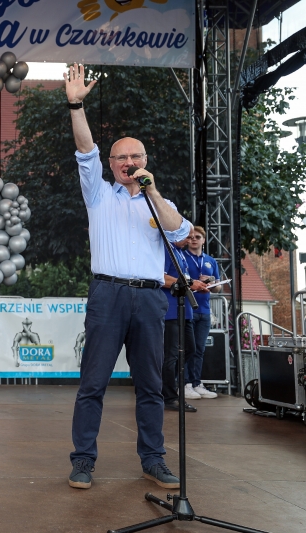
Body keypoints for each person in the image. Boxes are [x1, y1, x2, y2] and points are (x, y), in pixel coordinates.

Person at [65, 63, 192, 490]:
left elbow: (180, 232)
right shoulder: (99, 193)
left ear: (145, 162)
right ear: (112, 163)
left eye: (135, 156)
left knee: (151, 386)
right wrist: (76, 105)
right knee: (93, 383)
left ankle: (153, 459)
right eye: (121, 157)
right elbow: (85, 148)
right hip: (108, 295)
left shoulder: (158, 201)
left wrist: (152, 190)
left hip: (150, 298)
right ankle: (83, 460)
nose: (129, 162)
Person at [161, 230, 207, 412]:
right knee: (171, 354)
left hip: (185, 310)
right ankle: (169, 397)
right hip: (171, 310)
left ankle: (165, 386)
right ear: (176, 234)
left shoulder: (179, 253)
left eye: (192, 237)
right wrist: (189, 283)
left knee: (189, 349)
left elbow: (183, 281)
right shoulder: (166, 250)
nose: (190, 240)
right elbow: (161, 277)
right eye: (187, 237)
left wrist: (196, 284)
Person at [184, 225, 221, 399]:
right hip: (187, 309)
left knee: (199, 349)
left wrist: (211, 283)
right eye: (191, 237)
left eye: (197, 237)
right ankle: (185, 384)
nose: (193, 239)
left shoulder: (210, 261)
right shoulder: (182, 257)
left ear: (203, 240)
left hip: (204, 310)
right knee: (187, 349)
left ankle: (196, 383)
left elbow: (218, 288)